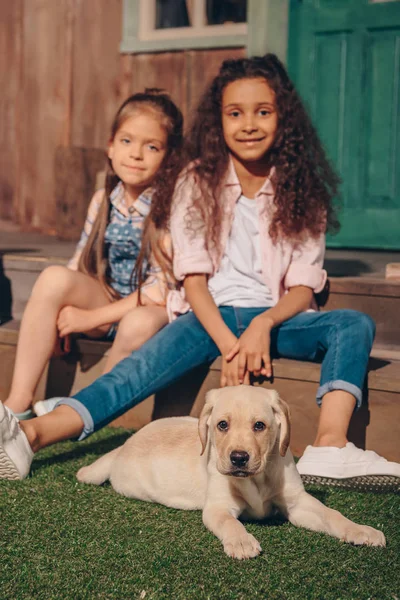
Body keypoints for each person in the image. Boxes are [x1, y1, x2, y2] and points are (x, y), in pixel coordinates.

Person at [1, 55, 399, 489]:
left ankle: (330, 445)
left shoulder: (303, 190)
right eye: (235, 113)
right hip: (206, 318)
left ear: (284, 118)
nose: (248, 124)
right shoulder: (197, 181)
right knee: (130, 376)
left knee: (353, 323)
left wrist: (263, 324)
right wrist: (232, 346)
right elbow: (193, 283)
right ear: (219, 120)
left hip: (277, 321)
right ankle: (29, 434)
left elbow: (304, 287)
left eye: (262, 112)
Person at [3, 89, 182, 420]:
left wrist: (88, 319)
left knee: (137, 323)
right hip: (108, 298)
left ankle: (89, 407)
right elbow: (80, 264)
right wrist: (60, 315)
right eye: (127, 141)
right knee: (54, 277)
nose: (136, 154)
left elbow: (162, 290)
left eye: (152, 146)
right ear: (111, 146)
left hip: (152, 312)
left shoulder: (171, 208)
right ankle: (17, 404)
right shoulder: (103, 200)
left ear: (170, 157)